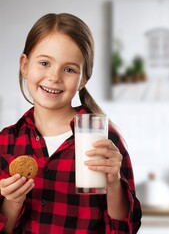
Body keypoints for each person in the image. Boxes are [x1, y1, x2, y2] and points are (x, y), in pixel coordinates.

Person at [0, 13, 142, 233]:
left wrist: (114, 183)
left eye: (69, 69)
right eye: (45, 63)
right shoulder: (6, 142)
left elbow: (125, 229)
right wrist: (13, 201)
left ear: (84, 79)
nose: (54, 77)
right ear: (25, 65)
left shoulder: (104, 139)